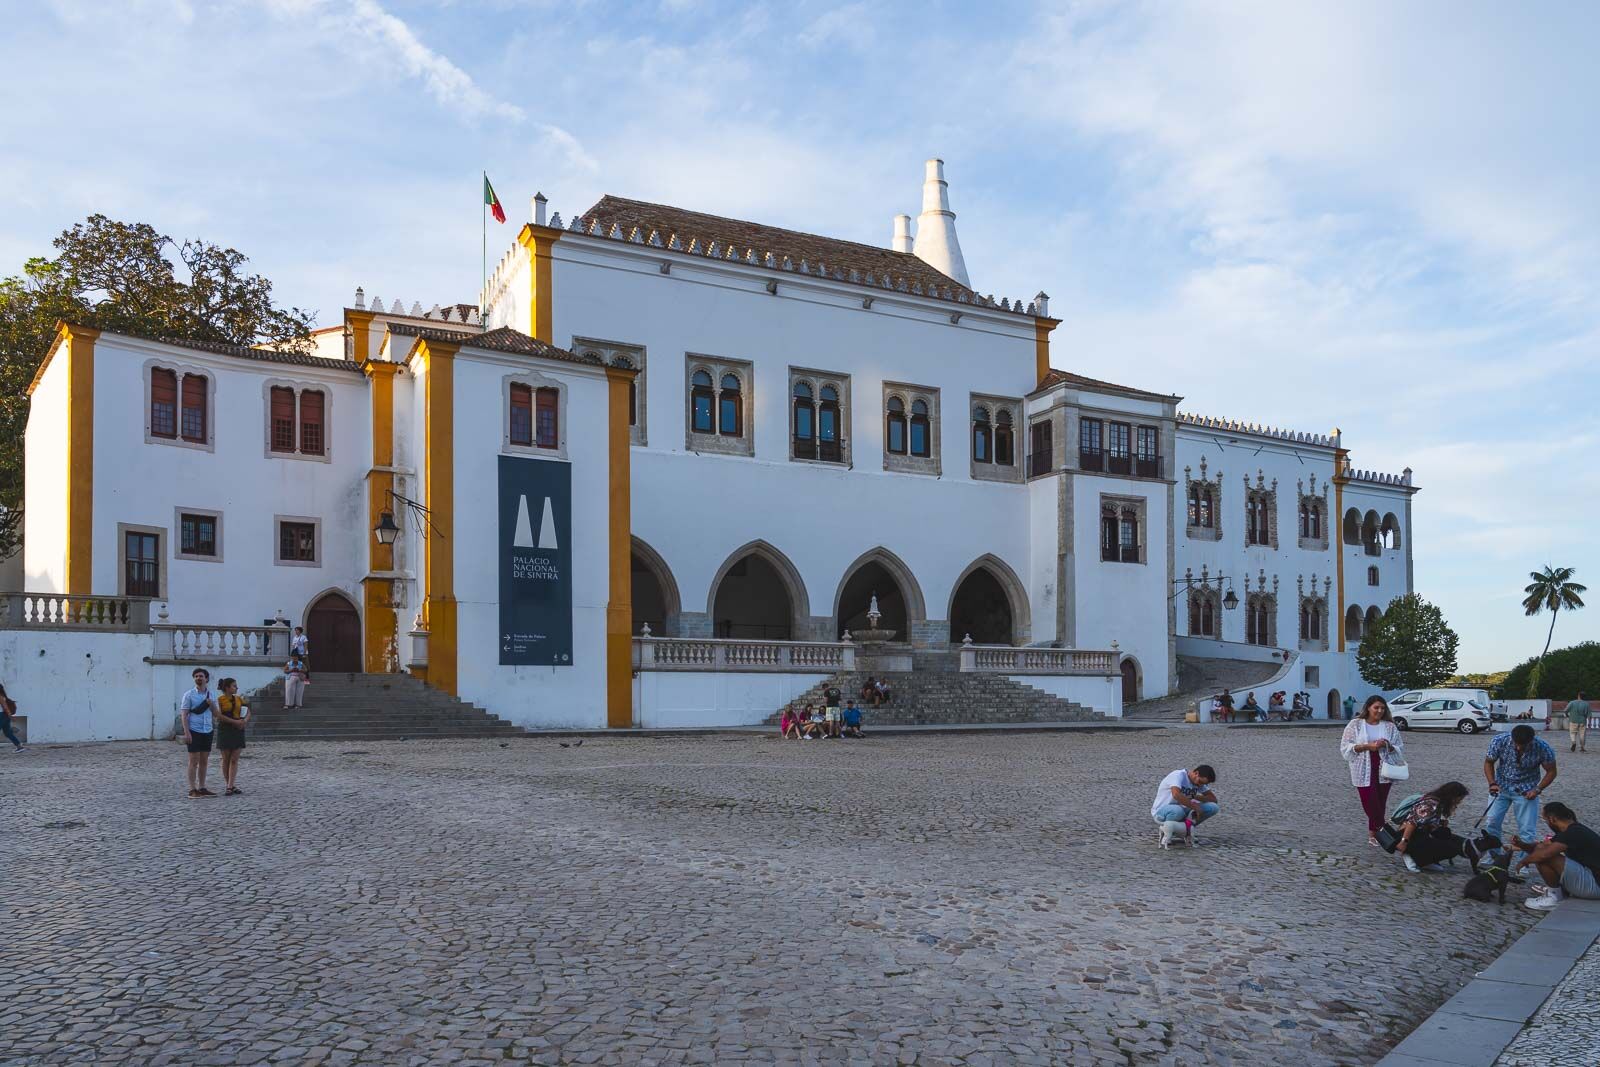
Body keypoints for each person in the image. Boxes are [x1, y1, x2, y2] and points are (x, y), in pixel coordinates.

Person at [1483, 723, 1557, 872]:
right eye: (1516, 744)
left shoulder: (1543, 748)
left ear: (1531, 741)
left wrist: (1537, 789)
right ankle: (1493, 854)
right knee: (1492, 822)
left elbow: (1551, 771)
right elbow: (1488, 762)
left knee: (1527, 829)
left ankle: (1525, 862)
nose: (1518, 748)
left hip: (1526, 791)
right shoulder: (1499, 741)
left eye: (1523, 746)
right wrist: (1492, 783)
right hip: (1501, 787)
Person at [1340, 695, 1405, 847]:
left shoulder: (1389, 726)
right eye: (1376, 707)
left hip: (1384, 767)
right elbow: (1346, 746)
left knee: (1380, 802)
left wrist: (1387, 744)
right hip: (1363, 767)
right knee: (1369, 801)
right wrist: (1366, 746)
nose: (1379, 711)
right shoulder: (1355, 724)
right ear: (1368, 707)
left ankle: (1374, 835)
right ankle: (1385, 832)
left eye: (1382, 708)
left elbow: (1399, 746)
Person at [1518, 802, 1600, 910]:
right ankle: (1558, 892)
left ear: (1552, 819)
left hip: (1595, 886)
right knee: (1541, 852)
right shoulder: (1571, 831)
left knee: (1546, 857)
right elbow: (1540, 846)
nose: (1547, 823)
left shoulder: (1572, 833)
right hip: (1592, 880)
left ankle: (1553, 898)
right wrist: (1521, 845)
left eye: (1546, 820)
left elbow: (1544, 854)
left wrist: (1523, 862)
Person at [1393, 782, 1473, 873]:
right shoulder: (1431, 804)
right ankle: (1411, 854)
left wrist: (1440, 824)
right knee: (1452, 848)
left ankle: (1424, 859)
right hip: (1409, 835)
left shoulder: (1438, 803)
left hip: (1419, 833)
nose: (1459, 801)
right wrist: (1404, 841)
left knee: (1445, 833)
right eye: (1459, 799)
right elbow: (1412, 822)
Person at [1151, 765, 1220, 847]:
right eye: (1200, 782)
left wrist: (1195, 796)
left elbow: (1213, 799)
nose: (1200, 785)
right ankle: (1167, 835)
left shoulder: (1198, 784)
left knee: (1213, 807)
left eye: (1203, 784)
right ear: (1196, 773)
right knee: (1177, 811)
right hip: (1162, 812)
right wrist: (1195, 807)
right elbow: (1176, 794)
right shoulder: (1178, 775)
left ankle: (1187, 832)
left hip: (1182, 810)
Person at [180, 668, 219, 798]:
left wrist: (211, 704)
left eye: (201, 676)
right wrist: (187, 733)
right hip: (194, 730)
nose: (198, 678)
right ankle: (192, 789)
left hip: (207, 730)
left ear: (206, 679)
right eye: (196, 676)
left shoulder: (212, 694)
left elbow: (216, 713)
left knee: (204, 761)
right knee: (193, 761)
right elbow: (184, 715)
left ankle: (202, 787)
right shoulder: (189, 694)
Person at [214, 677, 251, 795]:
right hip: (225, 729)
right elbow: (218, 716)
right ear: (227, 687)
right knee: (226, 759)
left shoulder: (239, 698)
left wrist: (244, 721)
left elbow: (248, 711)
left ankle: (230, 785)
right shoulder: (220, 700)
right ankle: (229, 784)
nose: (237, 687)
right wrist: (235, 722)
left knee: (234, 759)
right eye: (234, 686)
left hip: (238, 728)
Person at [0, 684, 24, 752]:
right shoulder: (3, 696)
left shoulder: (0, 696)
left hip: (2, 716)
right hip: (4, 716)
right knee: (8, 733)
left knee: (8, 732)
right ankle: (19, 746)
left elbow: (5, 707)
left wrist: (10, 716)